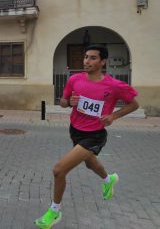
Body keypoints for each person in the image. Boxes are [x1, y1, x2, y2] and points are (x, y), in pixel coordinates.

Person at [34, 44, 139, 229]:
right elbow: (64, 102)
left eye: (92, 58)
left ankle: (54, 211)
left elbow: (134, 104)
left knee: (59, 170)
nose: (87, 61)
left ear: (103, 61)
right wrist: (69, 102)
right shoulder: (74, 79)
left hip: (95, 134)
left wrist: (114, 116)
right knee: (90, 163)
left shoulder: (114, 85)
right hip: (75, 130)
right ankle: (109, 179)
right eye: (85, 57)